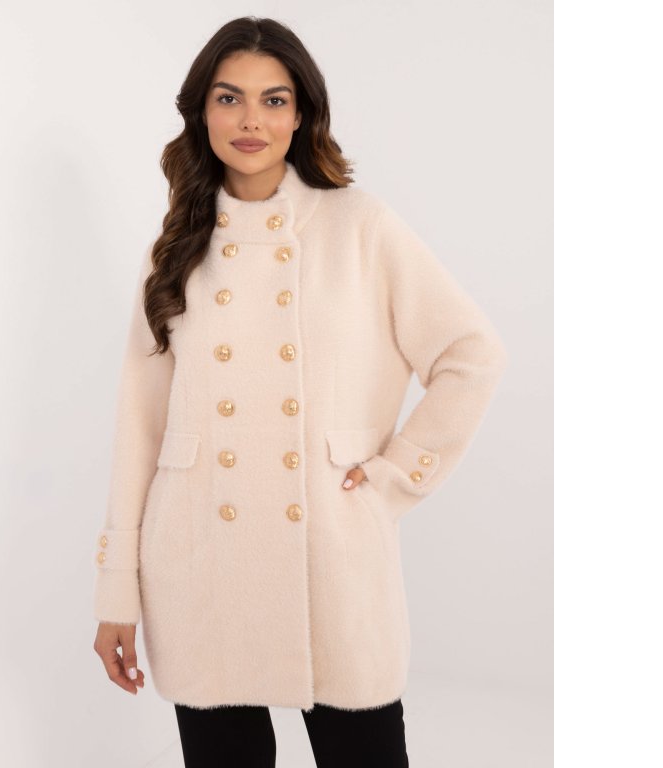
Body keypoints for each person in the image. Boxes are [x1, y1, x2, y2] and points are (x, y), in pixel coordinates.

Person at [91, 16, 507, 768]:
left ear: (301, 114)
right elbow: (140, 427)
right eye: (229, 98)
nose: (251, 120)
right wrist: (116, 588)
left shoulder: (359, 226)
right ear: (201, 112)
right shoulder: (175, 247)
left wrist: (394, 475)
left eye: (274, 100)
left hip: (332, 551)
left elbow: (471, 353)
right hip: (201, 558)